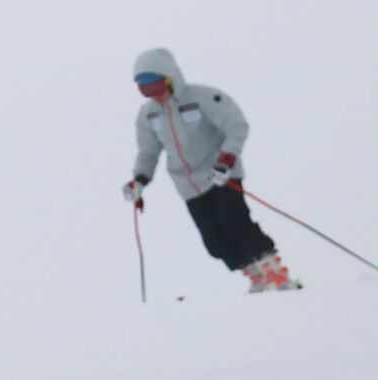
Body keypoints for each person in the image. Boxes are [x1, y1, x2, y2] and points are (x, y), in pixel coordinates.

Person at [124, 48, 299, 292]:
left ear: (170, 78)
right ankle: (255, 274)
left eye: (156, 85)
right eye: (145, 89)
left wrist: (226, 159)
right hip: (188, 185)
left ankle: (274, 271)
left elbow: (236, 124)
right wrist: (139, 180)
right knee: (214, 240)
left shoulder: (202, 98)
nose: (153, 94)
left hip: (219, 175)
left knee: (236, 222)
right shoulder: (149, 115)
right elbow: (148, 152)